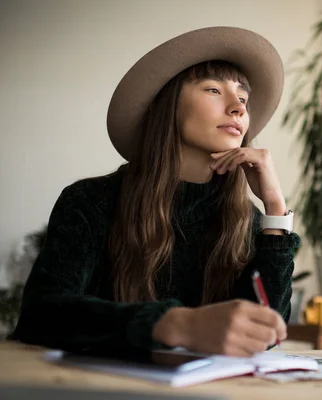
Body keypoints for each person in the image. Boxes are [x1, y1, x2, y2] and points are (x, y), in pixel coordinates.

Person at [11, 27, 300, 358]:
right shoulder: (90, 203)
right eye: (213, 90)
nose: (238, 108)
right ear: (168, 103)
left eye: (244, 98)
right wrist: (174, 324)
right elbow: (42, 314)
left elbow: (266, 333)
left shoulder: (248, 221)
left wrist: (275, 209)